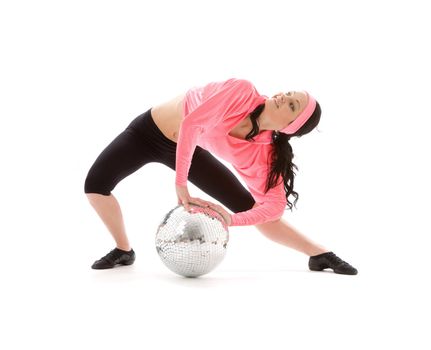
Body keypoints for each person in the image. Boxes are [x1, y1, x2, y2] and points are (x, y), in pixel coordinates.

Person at [84, 78, 358, 275]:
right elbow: (191, 123)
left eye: (293, 105)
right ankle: (124, 250)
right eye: (289, 93)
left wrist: (231, 219)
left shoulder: (263, 151)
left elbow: (272, 207)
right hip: (147, 133)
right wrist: (181, 183)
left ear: (290, 127)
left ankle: (319, 253)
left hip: (191, 151)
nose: (285, 96)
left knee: (252, 209)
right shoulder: (242, 91)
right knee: (95, 185)